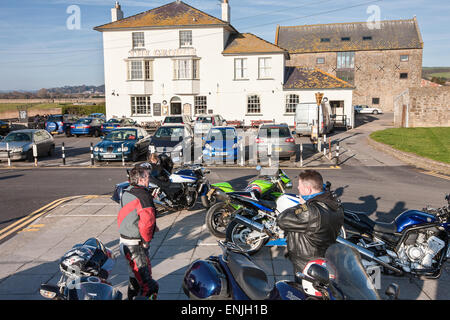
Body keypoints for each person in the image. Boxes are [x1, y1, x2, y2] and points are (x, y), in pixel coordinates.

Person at [276, 170, 344, 274]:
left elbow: (282, 219)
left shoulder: (311, 211)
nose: (298, 188)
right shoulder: (335, 204)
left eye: (299, 186)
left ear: (308, 190)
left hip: (306, 263)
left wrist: (302, 204)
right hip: (324, 257)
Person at [117, 166, 159, 300]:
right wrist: (146, 241)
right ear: (141, 179)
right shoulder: (144, 196)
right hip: (135, 246)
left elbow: (129, 215)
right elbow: (147, 223)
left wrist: (153, 227)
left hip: (124, 242)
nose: (149, 179)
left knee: (134, 280)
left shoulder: (127, 190)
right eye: (147, 177)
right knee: (150, 286)